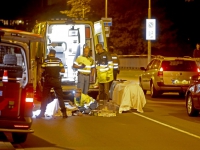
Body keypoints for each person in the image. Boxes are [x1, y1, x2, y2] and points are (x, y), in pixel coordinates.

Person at [37, 49, 67, 118]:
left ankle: (42, 113)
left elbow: (41, 70)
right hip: (56, 81)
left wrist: (39, 78)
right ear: (55, 54)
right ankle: (64, 113)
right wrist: (57, 69)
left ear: (49, 53)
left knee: (44, 97)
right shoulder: (58, 60)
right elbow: (63, 71)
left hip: (48, 81)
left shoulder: (46, 60)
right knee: (60, 97)